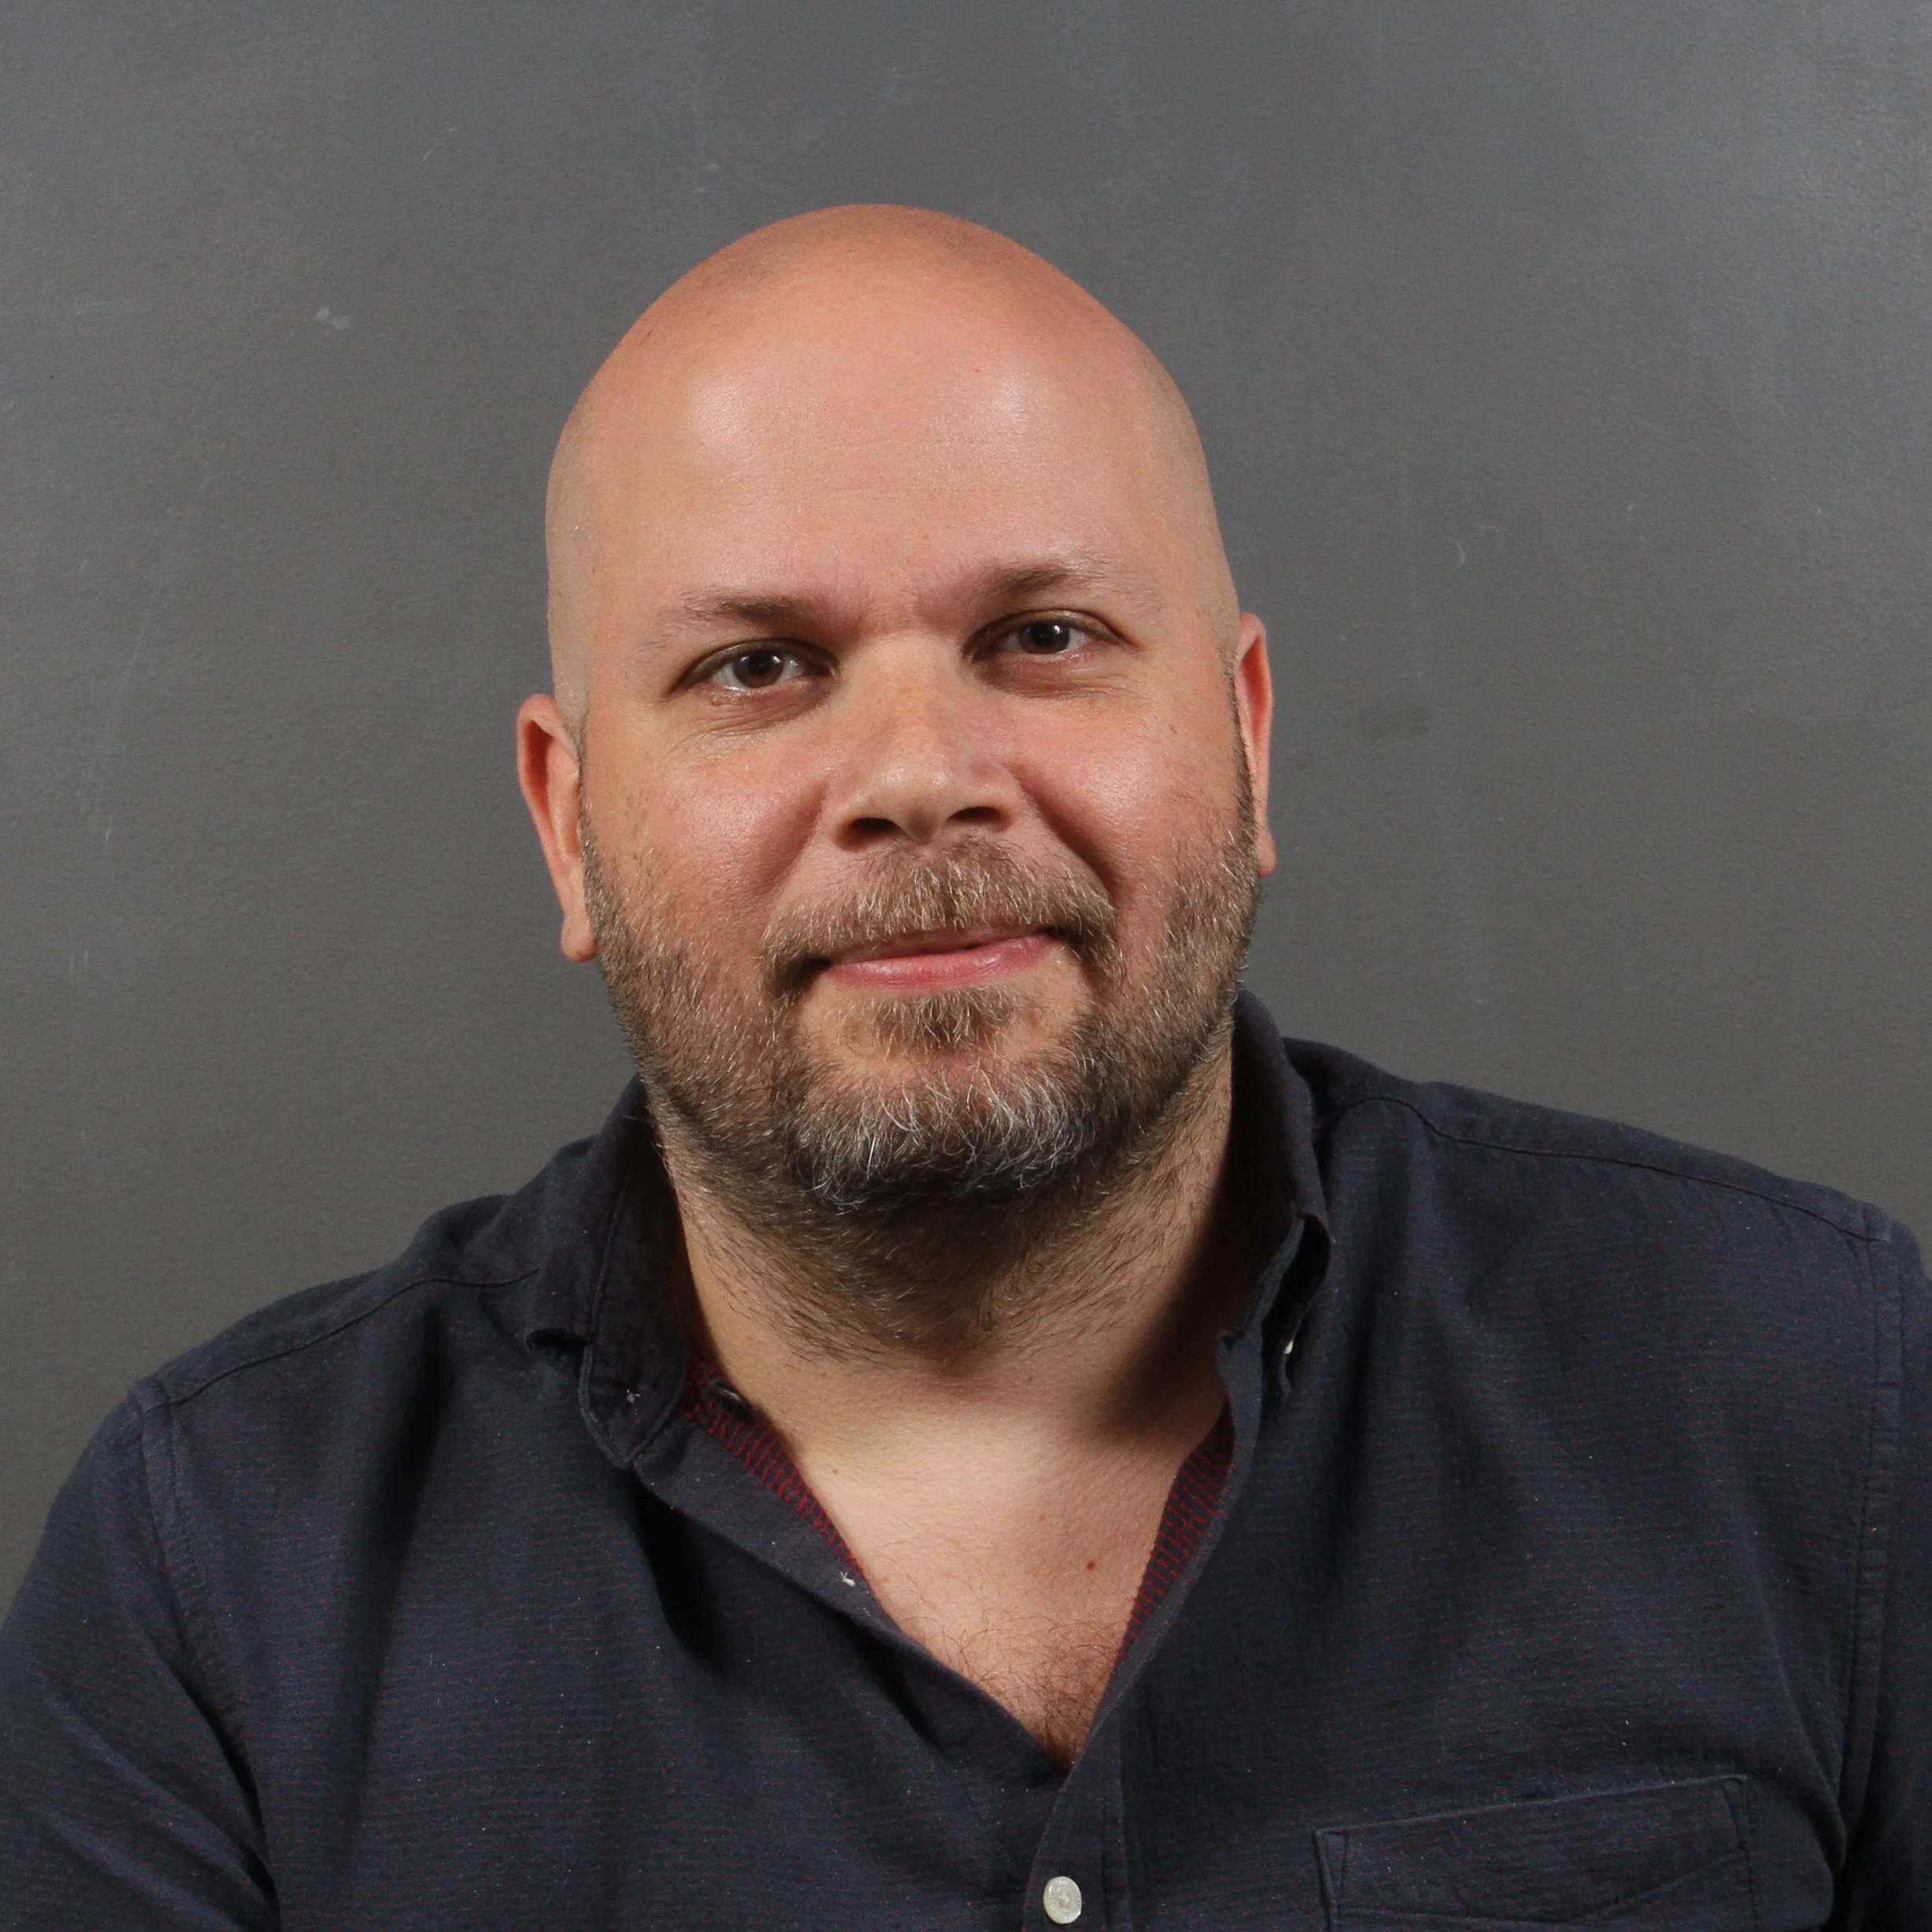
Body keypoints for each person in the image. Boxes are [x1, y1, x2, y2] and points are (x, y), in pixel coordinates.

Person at [0, 205, 1925, 1930]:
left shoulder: (1823, 1405)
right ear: (566, 819)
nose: (922, 775)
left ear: (1249, 737)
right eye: (760, 667)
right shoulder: (216, 1581)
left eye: (1045, 633)